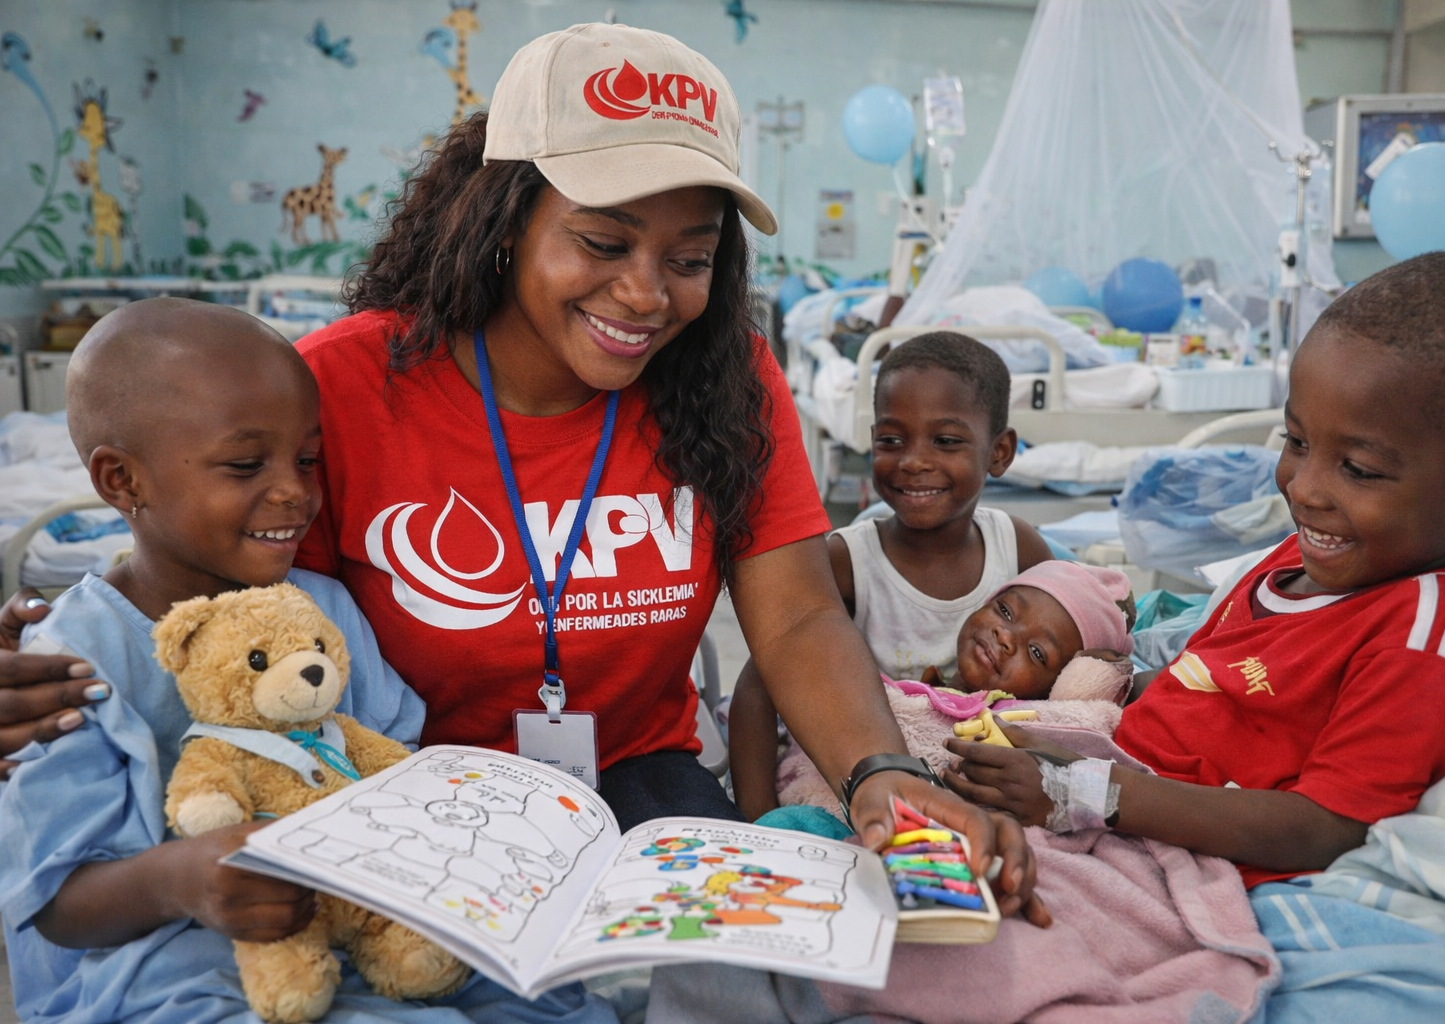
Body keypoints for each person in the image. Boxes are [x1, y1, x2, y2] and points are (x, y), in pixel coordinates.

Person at [1, 24, 1045, 921]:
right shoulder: (343, 389)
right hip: (404, 789)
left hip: (639, 775)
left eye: (690, 258)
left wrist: (883, 773)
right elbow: (221, 613)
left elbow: (796, 617)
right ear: (503, 222)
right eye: (602, 241)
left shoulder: (725, 380)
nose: (646, 296)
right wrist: (52, 674)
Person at [0, 299, 614, 1024]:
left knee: (551, 1002)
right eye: (244, 463)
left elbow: (397, 762)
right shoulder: (72, 661)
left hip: (363, 924)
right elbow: (55, 907)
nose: (295, 489)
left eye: (307, 458)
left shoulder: (324, 608)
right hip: (171, 960)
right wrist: (181, 881)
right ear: (122, 481)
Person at [946, 252, 1445, 890]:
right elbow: (1200, 695)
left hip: (1166, 852)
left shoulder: (1424, 626)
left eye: (1359, 470)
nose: (1303, 489)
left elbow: (1328, 826)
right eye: (1297, 442)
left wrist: (1085, 792)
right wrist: (1077, 707)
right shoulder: (1299, 560)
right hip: (1110, 781)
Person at [730, 331, 1055, 819]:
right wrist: (757, 818)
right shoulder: (848, 562)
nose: (914, 461)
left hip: (976, 788)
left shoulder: (1019, 547)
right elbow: (760, 686)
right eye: (891, 440)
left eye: (945, 441)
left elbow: (1064, 662)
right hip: (852, 783)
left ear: (1000, 452)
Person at [762, 560, 1136, 825]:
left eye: (1037, 653)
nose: (1005, 637)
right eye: (1005, 611)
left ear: (1062, 684)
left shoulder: (1026, 735)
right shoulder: (900, 693)